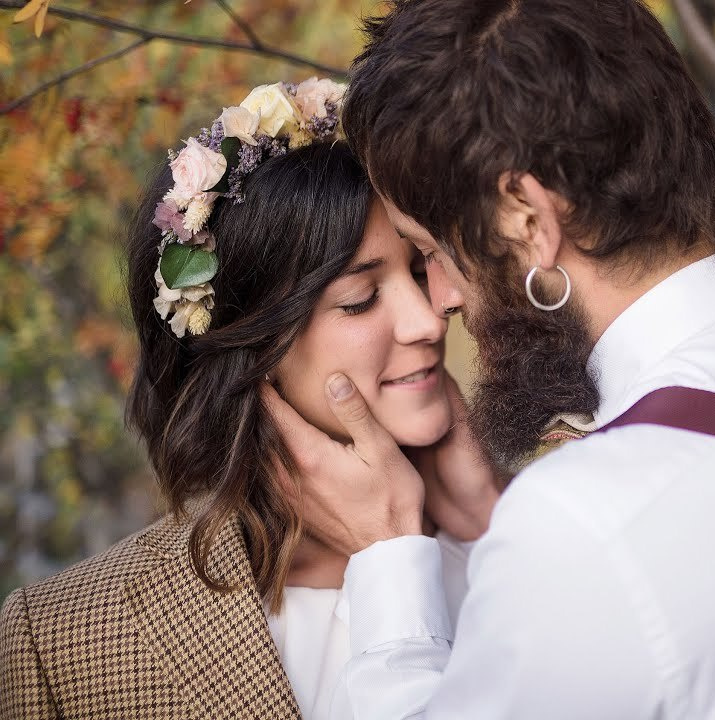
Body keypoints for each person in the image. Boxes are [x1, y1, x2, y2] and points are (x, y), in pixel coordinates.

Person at [266, 1, 715, 718]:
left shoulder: (587, 521)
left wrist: (389, 551)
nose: (444, 300)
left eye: (432, 252)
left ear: (527, 216)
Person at [0, 82, 473, 719]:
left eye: (421, 271)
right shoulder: (59, 641)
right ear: (250, 348)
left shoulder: (530, 553)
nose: (428, 321)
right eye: (360, 299)